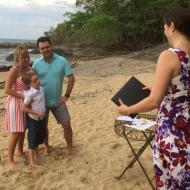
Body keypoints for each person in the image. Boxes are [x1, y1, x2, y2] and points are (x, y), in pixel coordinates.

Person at [118, 7, 190, 190]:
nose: (164, 30)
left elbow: (153, 101)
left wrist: (127, 110)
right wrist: (163, 88)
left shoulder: (169, 55)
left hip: (173, 132)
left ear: (171, 26)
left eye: (164, 26)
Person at [32, 36, 75, 155]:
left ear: (52, 46)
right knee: (44, 127)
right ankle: (46, 146)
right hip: (41, 102)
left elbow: (71, 79)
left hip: (58, 101)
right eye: (42, 48)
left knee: (66, 124)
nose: (45, 50)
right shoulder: (36, 64)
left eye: (47, 47)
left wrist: (66, 96)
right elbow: (31, 82)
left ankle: (70, 147)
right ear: (39, 50)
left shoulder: (62, 61)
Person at [5, 46, 31, 169]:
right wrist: (22, 96)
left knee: (23, 130)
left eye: (27, 57)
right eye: (23, 57)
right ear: (17, 58)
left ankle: (20, 152)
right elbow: (7, 90)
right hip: (15, 103)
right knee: (15, 132)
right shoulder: (14, 70)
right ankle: (10, 160)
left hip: (25, 104)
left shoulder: (30, 70)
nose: (26, 59)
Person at [22, 72, 46, 166]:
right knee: (32, 139)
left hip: (41, 118)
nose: (38, 81)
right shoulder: (30, 94)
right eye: (34, 81)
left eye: (37, 79)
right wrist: (37, 113)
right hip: (33, 119)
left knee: (38, 138)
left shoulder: (42, 89)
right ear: (29, 84)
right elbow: (24, 108)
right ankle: (32, 162)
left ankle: (36, 157)